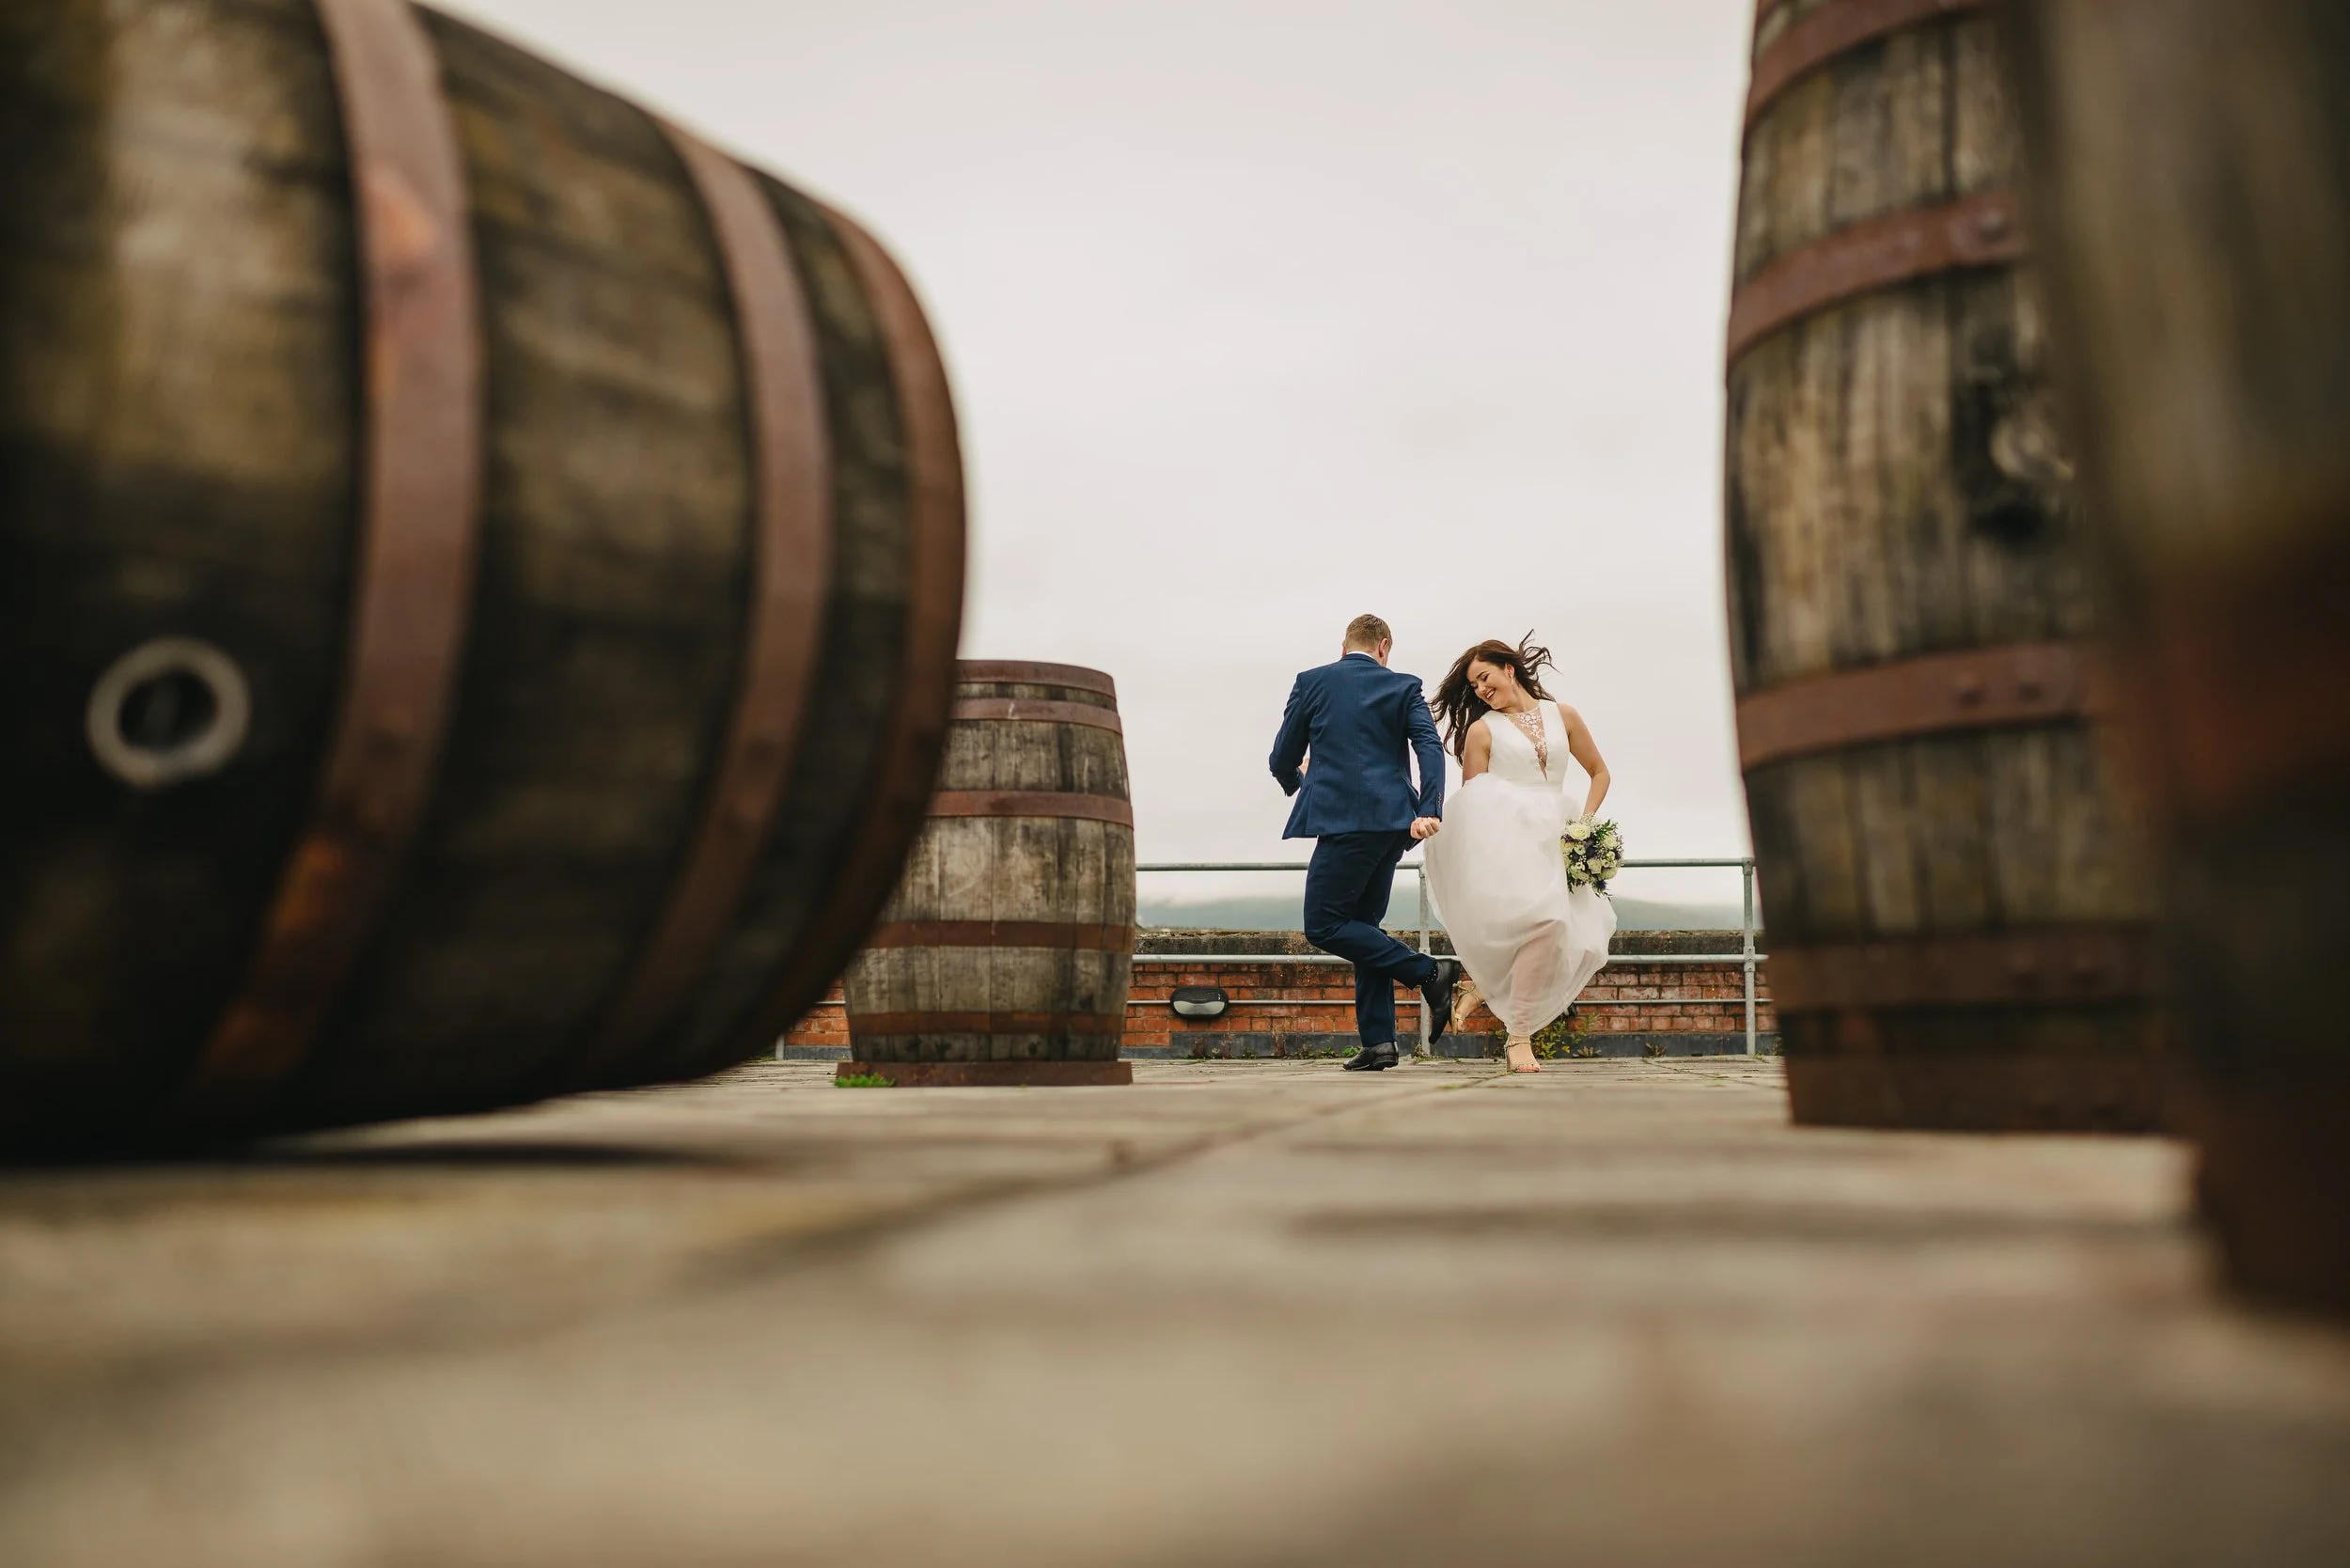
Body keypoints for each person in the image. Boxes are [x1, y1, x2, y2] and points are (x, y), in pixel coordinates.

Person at [1268, 614, 1464, 1072]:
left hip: (1343, 823)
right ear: (1384, 646)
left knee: (1323, 925)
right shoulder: (1404, 686)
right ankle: (1379, 1043)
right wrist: (1429, 808)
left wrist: (1296, 780)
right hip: (1394, 823)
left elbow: (1281, 756)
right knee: (1363, 927)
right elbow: (1429, 747)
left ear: (1344, 646)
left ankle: (1431, 972)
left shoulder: (1312, 682)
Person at [1422, 634, 1617, 1074]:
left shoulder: (1563, 714)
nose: (1480, 689)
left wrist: (1585, 825)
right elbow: (1474, 799)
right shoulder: (1482, 729)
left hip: (1561, 836)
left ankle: (1479, 990)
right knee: (1547, 922)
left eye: (1484, 677)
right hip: (1510, 841)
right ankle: (1519, 1037)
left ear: (1508, 669)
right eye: (1473, 686)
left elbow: (1600, 772)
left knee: (1569, 936)